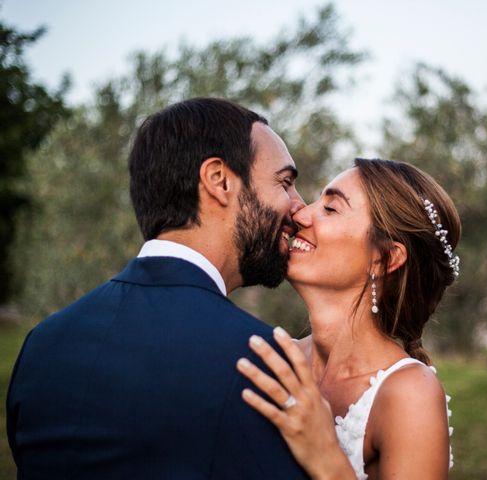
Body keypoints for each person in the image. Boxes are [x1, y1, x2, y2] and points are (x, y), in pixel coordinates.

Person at [6, 98, 309, 479]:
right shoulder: (258, 363)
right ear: (219, 180)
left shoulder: (43, 343)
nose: (299, 207)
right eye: (284, 182)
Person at [237, 158, 459, 479]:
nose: (299, 212)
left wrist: (326, 456)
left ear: (384, 258)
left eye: (331, 208)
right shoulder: (275, 359)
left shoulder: (410, 394)